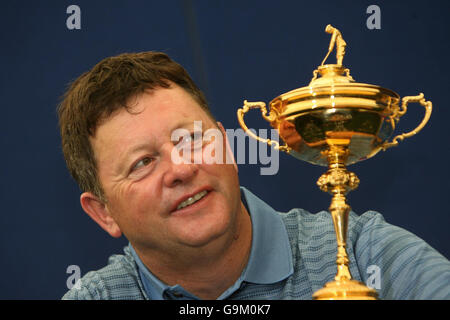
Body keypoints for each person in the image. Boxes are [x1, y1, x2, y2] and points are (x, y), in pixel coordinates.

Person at [59, 51, 450, 300]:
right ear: (103, 212)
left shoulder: (363, 253)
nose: (181, 168)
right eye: (142, 163)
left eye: (193, 139)